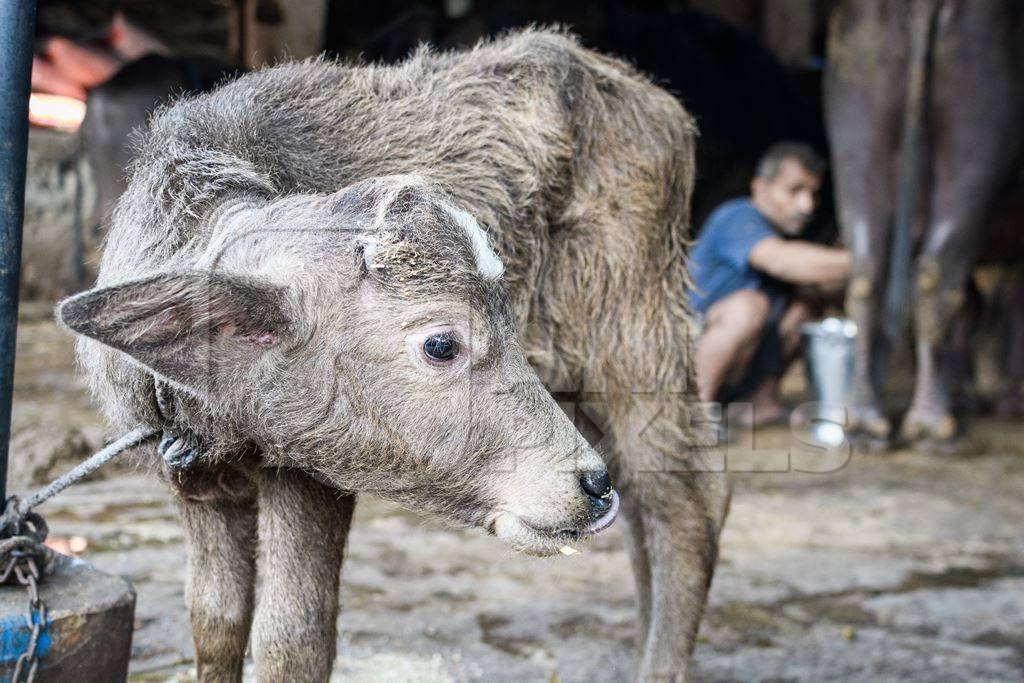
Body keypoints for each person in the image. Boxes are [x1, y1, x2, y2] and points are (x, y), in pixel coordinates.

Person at [689, 141, 851, 427]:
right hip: (683, 361)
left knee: (808, 302)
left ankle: (759, 403)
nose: (807, 205)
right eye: (794, 190)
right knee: (749, 306)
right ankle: (691, 416)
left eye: (813, 193)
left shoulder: (788, 234)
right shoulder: (738, 216)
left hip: (737, 365)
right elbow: (782, 261)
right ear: (761, 188)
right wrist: (868, 262)